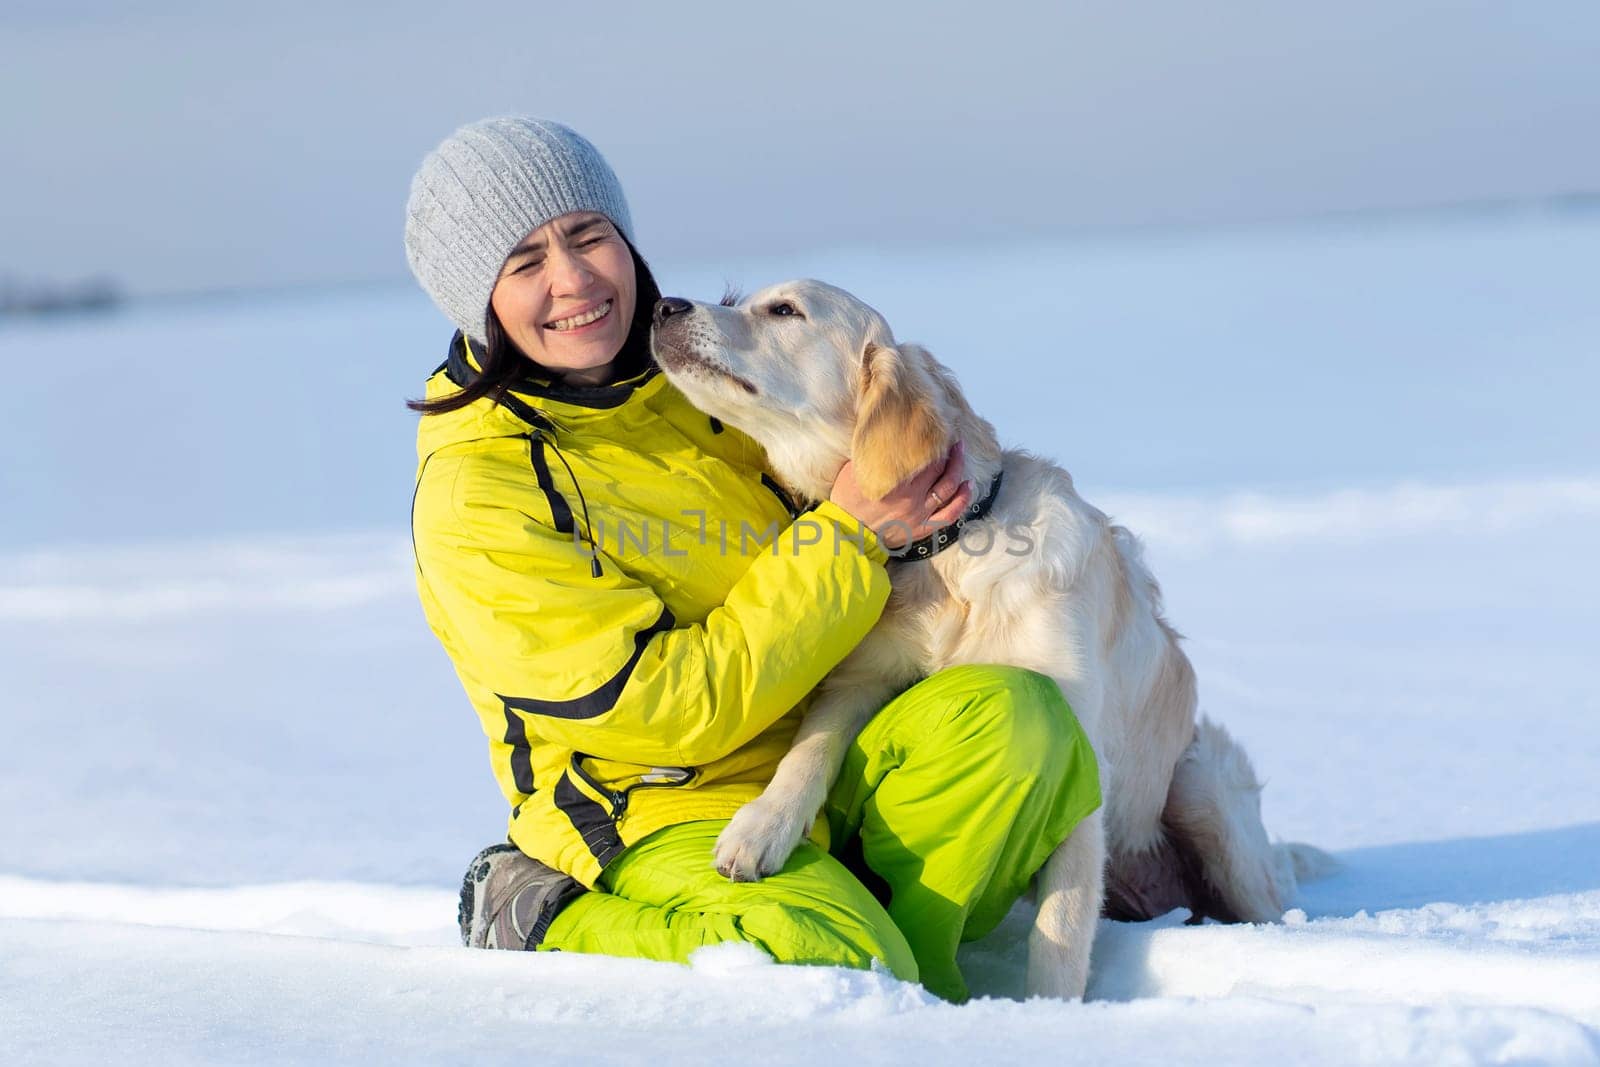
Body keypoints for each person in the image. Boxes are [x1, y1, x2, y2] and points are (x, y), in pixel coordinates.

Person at [404, 117, 1100, 1002]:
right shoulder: (484, 490)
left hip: (820, 762)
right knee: (822, 963)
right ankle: (548, 922)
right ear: (480, 300)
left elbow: (863, 441)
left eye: (588, 237)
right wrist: (850, 535)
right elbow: (663, 708)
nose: (572, 280)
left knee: (1022, 722)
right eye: (525, 262)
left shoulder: (699, 376)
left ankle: (916, 976)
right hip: (664, 802)